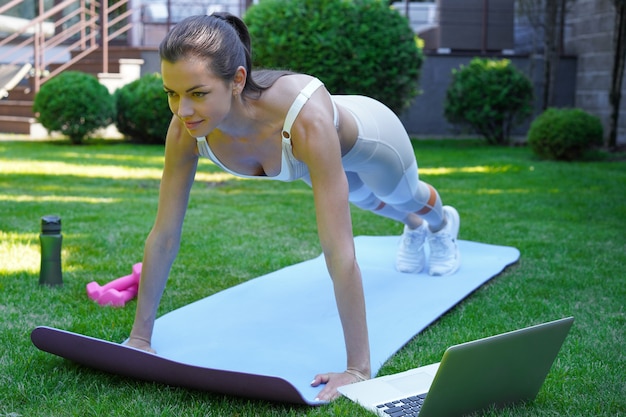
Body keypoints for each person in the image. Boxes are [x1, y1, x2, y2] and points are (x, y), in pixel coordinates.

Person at [126, 12, 461, 401]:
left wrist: (357, 369)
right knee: (368, 200)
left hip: (372, 140)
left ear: (236, 80)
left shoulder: (304, 119)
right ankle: (416, 228)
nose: (182, 109)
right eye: (171, 92)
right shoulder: (187, 129)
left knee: (407, 196)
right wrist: (139, 339)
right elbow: (164, 234)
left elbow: (338, 250)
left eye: (197, 93)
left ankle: (440, 224)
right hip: (310, 153)